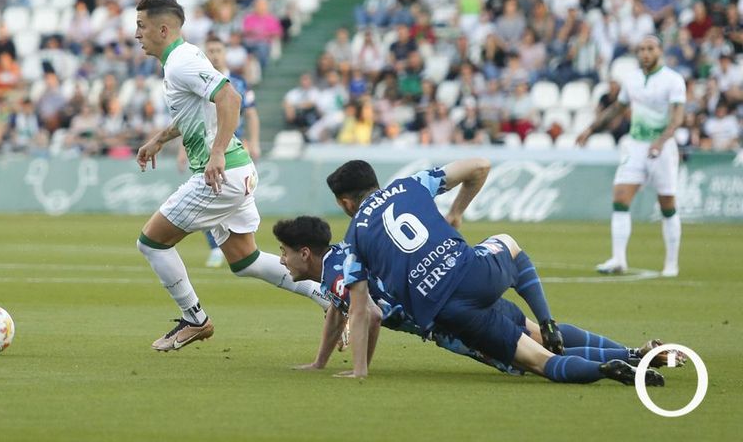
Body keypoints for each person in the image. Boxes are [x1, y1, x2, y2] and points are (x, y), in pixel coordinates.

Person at [324, 158, 665, 386]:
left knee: (540, 362)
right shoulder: (411, 184)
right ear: (374, 182)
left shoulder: (354, 237)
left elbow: (359, 306)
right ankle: (548, 321)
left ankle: (603, 370)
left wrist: (359, 370)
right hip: (474, 272)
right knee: (508, 242)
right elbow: (481, 165)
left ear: (345, 203)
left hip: (447, 313)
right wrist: (456, 212)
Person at [133, 0, 328, 352]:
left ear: (163, 29)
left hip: (221, 176)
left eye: (141, 26)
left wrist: (217, 152)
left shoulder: (181, 63)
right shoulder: (180, 60)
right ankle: (329, 295)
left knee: (151, 243)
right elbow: (199, 110)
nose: (136, 34)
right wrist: (159, 139)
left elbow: (231, 98)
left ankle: (195, 319)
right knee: (246, 261)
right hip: (236, 173)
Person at [272, 216, 681, 374]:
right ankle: (636, 354)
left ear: (305, 253)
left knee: (534, 357)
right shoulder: (346, 254)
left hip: (445, 320)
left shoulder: (337, 274)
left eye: (285, 252)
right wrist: (320, 360)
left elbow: (369, 314)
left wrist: (361, 366)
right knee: (536, 331)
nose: (282, 259)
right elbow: (338, 313)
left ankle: (622, 365)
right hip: (460, 286)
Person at [576, 35, 685, 277]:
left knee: (667, 204)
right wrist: (590, 129)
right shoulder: (632, 79)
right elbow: (617, 108)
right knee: (620, 197)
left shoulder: (673, 80)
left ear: (659, 51)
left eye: (650, 48)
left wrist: (661, 141)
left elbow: (678, 117)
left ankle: (671, 264)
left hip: (663, 149)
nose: (645, 53)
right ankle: (618, 259)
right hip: (635, 146)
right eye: (641, 49)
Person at [181, 36, 263, 269]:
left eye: (218, 50)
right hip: (207, 148)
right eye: (211, 50)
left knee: (235, 198)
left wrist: (254, 141)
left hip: (235, 147)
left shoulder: (237, 82)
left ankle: (242, 246)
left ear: (225, 53)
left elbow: (251, 113)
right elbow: (190, 119)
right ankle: (216, 246)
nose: (215, 54)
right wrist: (182, 150)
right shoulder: (199, 80)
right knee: (208, 194)